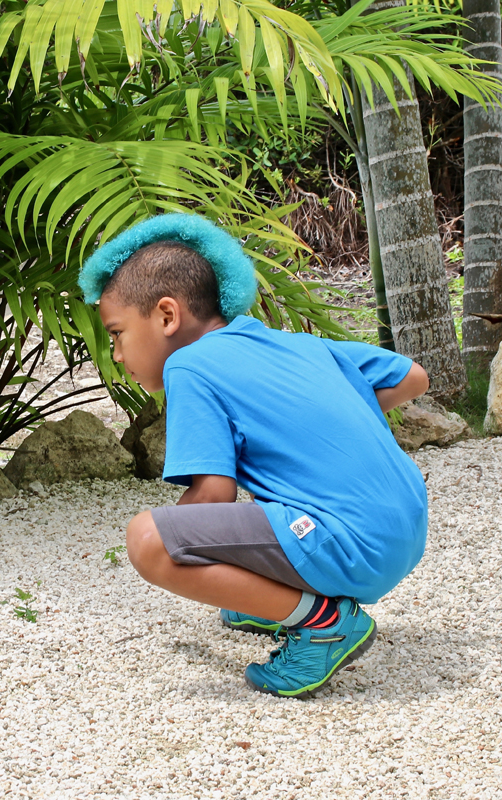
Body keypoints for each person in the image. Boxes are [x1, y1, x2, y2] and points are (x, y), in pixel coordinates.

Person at [78, 213, 429, 698]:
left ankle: (323, 624)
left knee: (149, 540)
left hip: (351, 542)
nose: (116, 353)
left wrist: (187, 549)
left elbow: (214, 496)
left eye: (117, 333)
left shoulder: (189, 365)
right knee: (241, 516)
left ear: (166, 316)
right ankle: (270, 599)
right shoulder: (293, 343)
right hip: (408, 527)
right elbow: (411, 377)